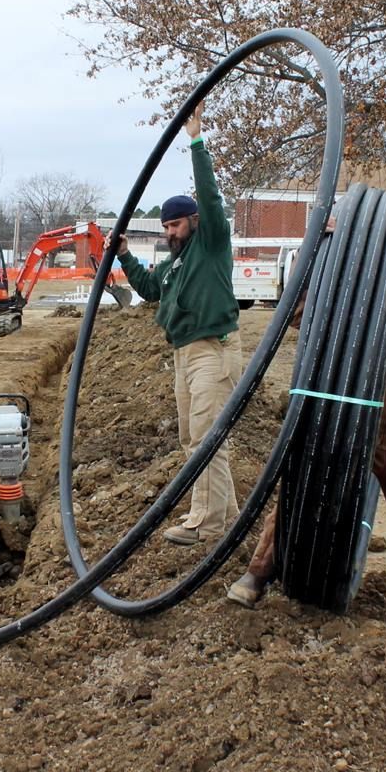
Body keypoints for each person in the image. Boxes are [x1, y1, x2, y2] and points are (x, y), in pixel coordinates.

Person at [226, 216, 386, 639]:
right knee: (300, 497)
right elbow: (301, 315)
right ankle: (258, 575)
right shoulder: (367, 283)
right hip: (346, 422)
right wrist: (327, 254)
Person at [116, 103, 241, 545]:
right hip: (184, 353)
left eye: (177, 223)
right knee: (194, 440)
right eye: (166, 224)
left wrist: (196, 140)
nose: (171, 230)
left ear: (194, 222)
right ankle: (226, 515)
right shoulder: (174, 265)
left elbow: (210, 197)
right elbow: (150, 289)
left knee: (206, 439)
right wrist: (126, 254)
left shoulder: (210, 244)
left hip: (214, 350)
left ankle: (204, 525)